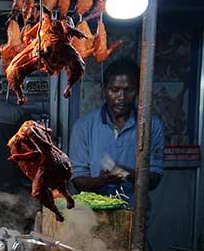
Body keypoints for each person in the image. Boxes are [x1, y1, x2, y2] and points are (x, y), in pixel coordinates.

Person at [69, 59, 164, 203]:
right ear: (104, 90)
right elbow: (77, 180)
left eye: (129, 90)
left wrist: (123, 173)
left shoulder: (151, 126)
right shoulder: (83, 126)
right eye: (114, 90)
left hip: (135, 213)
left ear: (138, 91)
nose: (122, 97)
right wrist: (100, 181)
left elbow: (154, 180)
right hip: (92, 216)